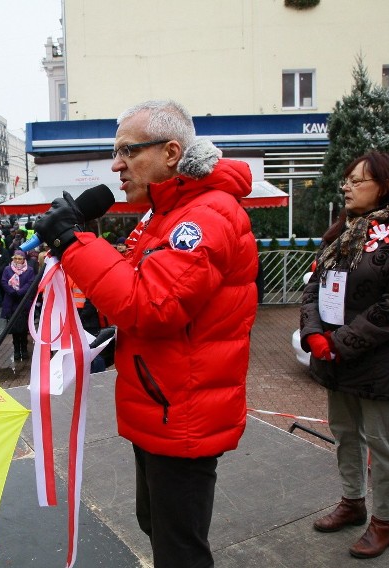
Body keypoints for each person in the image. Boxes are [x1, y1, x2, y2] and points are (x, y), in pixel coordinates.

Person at [33, 99, 258, 568]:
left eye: (128, 151)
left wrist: (75, 243)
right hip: (160, 403)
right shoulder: (164, 213)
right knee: (156, 526)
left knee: (179, 550)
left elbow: (151, 306)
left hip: (182, 412)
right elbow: (144, 291)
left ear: (171, 152)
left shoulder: (206, 215)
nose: (117, 165)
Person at [299, 151, 389, 559]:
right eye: (347, 180)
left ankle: (385, 522)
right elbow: (312, 287)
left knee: (385, 444)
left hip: (385, 363)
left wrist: (340, 343)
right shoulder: (343, 232)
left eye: (357, 181)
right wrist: (313, 334)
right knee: (345, 435)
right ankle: (353, 503)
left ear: (385, 185)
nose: (347, 186)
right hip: (338, 361)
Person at [0, 249, 35, 361]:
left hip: (23, 302)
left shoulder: (29, 270)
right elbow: (4, 281)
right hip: (11, 302)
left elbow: (30, 283)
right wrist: (11, 291)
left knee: (24, 328)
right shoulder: (7, 269)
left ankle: (24, 349)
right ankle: (16, 350)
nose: (17, 260)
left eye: (20, 258)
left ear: (24, 259)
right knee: (14, 329)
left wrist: (20, 292)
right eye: (15, 258)